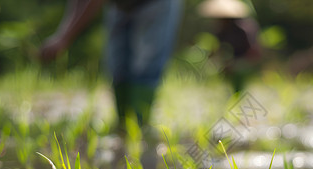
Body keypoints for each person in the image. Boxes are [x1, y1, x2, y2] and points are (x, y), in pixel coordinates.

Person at [39, 0, 183, 128]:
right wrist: (62, 33)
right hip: (120, 6)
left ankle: (138, 126)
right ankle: (122, 123)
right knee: (117, 64)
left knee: (146, 64)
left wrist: (64, 38)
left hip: (155, 4)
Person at [198, 0, 261, 92]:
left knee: (239, 85)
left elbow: (253, 54)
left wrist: (235, 64)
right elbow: (216, 49)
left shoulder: (244, 30)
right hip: (231, 63)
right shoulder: (222, 31)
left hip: (246, 63)